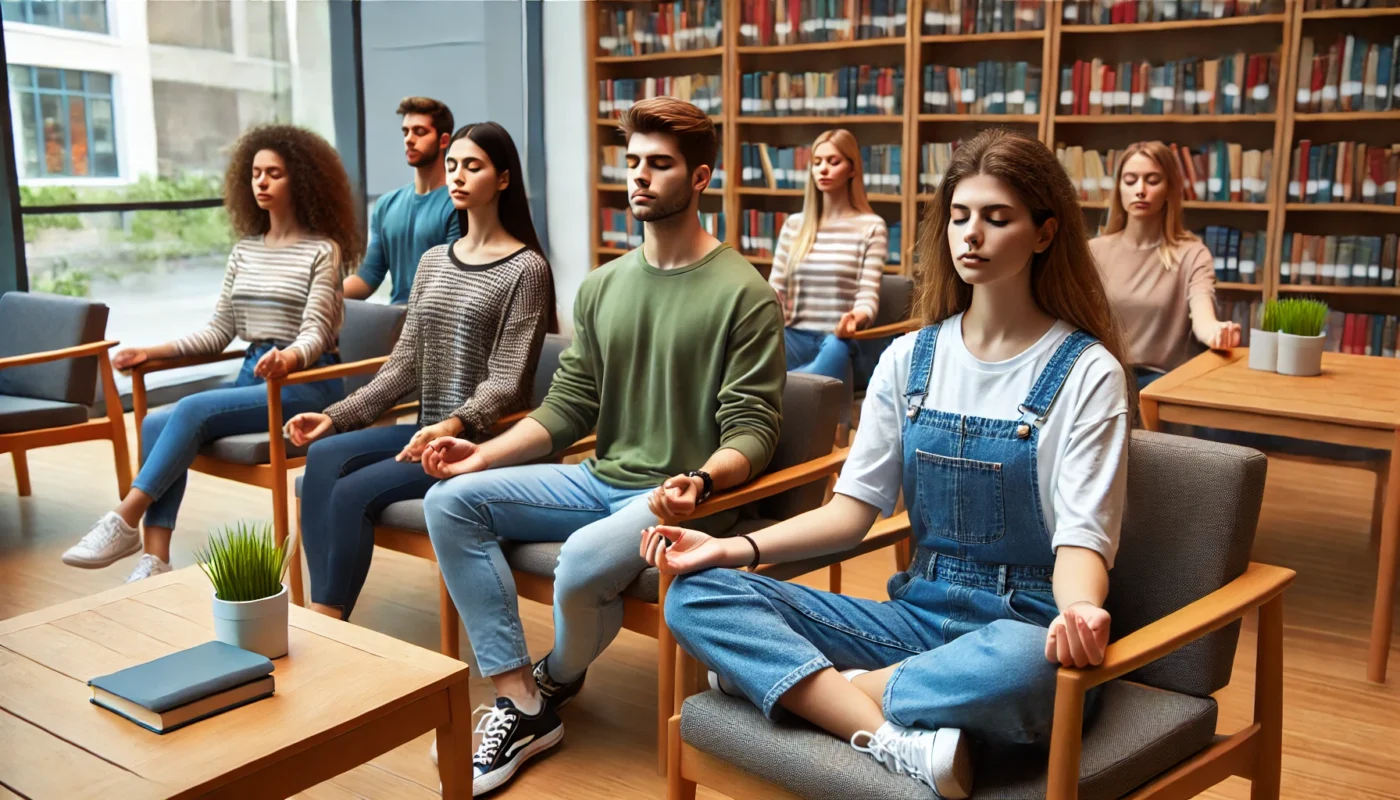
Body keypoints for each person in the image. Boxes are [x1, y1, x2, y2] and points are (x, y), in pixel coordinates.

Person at [648, 129, 1134, 799]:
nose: (972, 236)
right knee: (700, 593)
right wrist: (733, 547)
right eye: (960, 217)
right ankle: (891, 734)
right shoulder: (910, 361)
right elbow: (850, 515)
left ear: (1045, 233)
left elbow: (1084, 536)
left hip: (1019, 622)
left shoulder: (1088, 373)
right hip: (913, 621)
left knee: (1033, 666)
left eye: (998, 219)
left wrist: (1079, 613)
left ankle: (817, 694)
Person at [419, 97, 785, 794]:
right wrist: (480, 452)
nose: (639, 177)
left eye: (660, 164)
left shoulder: (745, 294)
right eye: (634, 162)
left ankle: (554, 678)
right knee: (450, 501)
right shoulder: (604, 285)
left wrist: (703, 481)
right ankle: (522, 701)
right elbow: (568, 406)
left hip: (681, 497)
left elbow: (753, 430)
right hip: (599, 478)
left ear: (701, 177)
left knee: (584, 558)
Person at [62, 124, 362, 583]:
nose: (261, 182)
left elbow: (317, 333)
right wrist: (152, 351)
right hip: (253, 377)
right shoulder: (244, 251)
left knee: (192, 408)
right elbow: (220, 330)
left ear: (301, 181)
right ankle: (156, 558)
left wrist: (288, 359)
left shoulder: (323, 251)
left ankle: (125, 517)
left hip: (305, 384)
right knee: (155, 421)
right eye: (256, 173)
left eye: (274, 173)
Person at [286, 122, 557, 622]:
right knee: (323, 452)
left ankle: (327, 620)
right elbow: (405, 364)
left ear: (502, 179)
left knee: (351, 492)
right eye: (452, 165)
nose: (456, 176)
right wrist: (338, 416)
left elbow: (509, 381)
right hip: (423, 432)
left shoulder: (526, 270)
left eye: (472, 166)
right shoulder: (434, 262)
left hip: (476, 446)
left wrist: (454, 425)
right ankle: (318, 612)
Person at [1090, 140, 1240, 390]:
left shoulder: (1193, 254)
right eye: (1130, 180)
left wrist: (1218, 332)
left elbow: (1203, 316)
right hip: (1104, 378)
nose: (1140, 190)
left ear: (1170, 188)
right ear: (1118, 188)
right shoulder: (1093, 251)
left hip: (1163, 383)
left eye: (1152, 180)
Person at [769, 128, 889, 394]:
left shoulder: (871, 227)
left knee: (835, 352)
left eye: (833, 162)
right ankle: (793, 390)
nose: (823, 169)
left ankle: (780, 391)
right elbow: (774, 289)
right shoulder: (794, 226)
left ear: (852, 169)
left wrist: (854, 319)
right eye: (817, 162)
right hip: (792, 336)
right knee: (756, 347)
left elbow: (868, 298)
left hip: (836, 339)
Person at [344, 97, 461, 304]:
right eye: (405, 131)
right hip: (394, 325)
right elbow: (367, 278)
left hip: (437, 325)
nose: (409, 139)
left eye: (420, 132)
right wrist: (321, 296)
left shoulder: (458, 204)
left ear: (444, 141)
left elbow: (452, 285)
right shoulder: (386, 205)